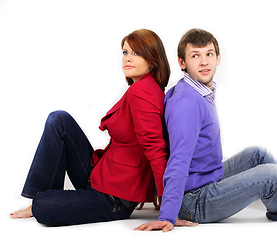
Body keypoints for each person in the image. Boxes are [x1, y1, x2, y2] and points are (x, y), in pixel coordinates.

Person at [135, 29, 277, 232]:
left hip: (206, 179)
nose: (203, 62)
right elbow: (179, 160)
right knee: (272, 176)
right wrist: (168, 215)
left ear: (218, 58)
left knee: (257, 154)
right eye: (195, 56)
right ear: (182, 62)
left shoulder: (196, 89)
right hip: (193, 201)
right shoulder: (187, 103)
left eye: (209, 54)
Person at [10, 29, 170, 226]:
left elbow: (155, 147)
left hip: (114, 197)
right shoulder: (144, 87)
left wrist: (167, 204)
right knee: (59, 121)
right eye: (125, 52)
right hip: (103, 174)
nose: (128, 59)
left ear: (153, 60)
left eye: (136, 53)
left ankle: (39, 202)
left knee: (43, 207)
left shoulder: (141, 91)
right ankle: (38, 199)